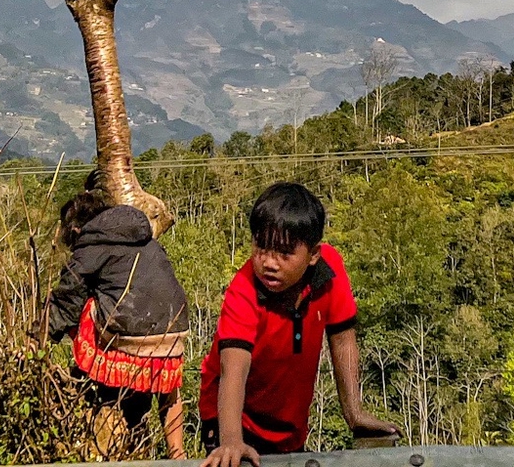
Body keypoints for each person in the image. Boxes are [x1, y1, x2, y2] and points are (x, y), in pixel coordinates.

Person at [199, 182, 397, 467]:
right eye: (261, 247)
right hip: (232, 420)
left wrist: (354, 414)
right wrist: (231, 440)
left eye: (284, 253)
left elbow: (343, 339)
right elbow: (233, 369)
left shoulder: (330, 271)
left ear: (313, 254)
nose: (269, 262)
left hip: (288, 423)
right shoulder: (243, 291)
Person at [48, 188, 191, 459]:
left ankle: (104, 391)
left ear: (76, 230)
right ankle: (178, 453)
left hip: (129, 337)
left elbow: (66, 300)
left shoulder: (91, 244)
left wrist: (38, 339)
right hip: (173, 331)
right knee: (168, 390)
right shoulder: (145, 238)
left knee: (88, 304)